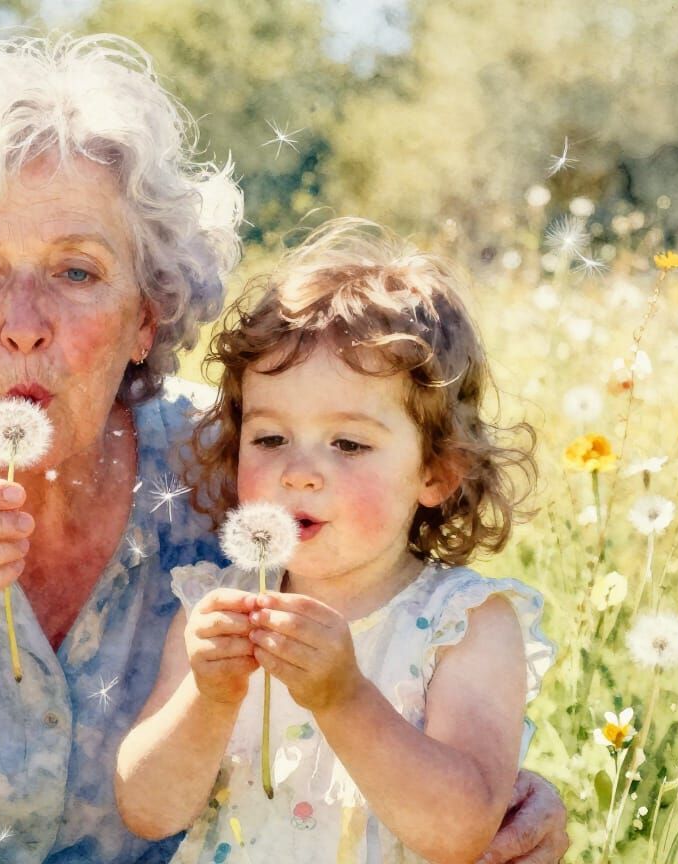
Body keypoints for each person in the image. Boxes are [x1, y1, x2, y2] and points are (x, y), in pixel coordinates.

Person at [0, 34, 568, 864]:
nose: (24, 326)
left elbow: (396, 638)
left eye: (76, 272)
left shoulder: (239, 469)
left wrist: (499, 803)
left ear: (147, 314)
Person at [115, 218, 555, 863]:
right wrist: (208, 697)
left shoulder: (464, 625)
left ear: (436, 470)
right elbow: (148, 811)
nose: (299, 471)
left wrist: (343, 698)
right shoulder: (216, 608)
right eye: (270, 439)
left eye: (348, 444)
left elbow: (461, 833)